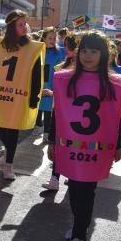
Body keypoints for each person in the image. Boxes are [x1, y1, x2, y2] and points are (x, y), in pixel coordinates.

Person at [46, 31, 121, 241]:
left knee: (87, 191)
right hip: (70, 146)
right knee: (73, 188)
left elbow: (115, 118)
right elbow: (57, 113)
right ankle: (78, 225)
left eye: (94, 51)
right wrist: (52, 141)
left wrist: (118, 145)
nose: (88, 55)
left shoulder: (115, 83)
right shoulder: (64, 79)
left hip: (97, 149)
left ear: (104, 55)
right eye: (84, 50)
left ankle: (78, 240)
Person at [0, 10, 44, 180]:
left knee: (12, 130)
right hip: (0, 95)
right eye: (20, 24)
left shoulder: (33, 47)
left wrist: (34, 97)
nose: (25, 27)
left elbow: (36, 74)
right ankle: (8, 151)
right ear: (11, 27)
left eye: (25, 23)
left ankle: (8, 164)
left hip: (20, 97)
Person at [41, 33, 78, 191]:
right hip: (61, 112)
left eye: (69, 46)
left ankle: (71, 175)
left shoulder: (84, 70)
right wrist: (52, 93)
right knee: (58, 145)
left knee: (72, 146)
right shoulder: (62, 67)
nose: (66, 49)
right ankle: (55, 178)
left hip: (75, 116)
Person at [36, 27, 65, 133]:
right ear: (44, 38)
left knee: (49, 110)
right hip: (38, 84)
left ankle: (46, 133)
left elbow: (61, 70)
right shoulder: (37, 51)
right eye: (50, 38)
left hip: (51, 85)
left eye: (54, 38)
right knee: (37, 107)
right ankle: (37, 126)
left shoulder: (59, 53)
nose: (52, 40)